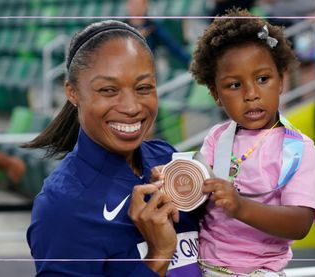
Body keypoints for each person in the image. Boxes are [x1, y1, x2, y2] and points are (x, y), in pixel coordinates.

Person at [24, 20, 202, 276]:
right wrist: (158, 256)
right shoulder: (61, 206)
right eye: (108, 90)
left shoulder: (168, 159)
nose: (131, 107)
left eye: (143, 88)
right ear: (73, 92)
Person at [189, 8, 315, 276]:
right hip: (205, 268)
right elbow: (195, 198)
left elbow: (300, 223)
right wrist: (176, 184)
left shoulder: (297, 148)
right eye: (234, 85)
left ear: (281, 81)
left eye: (263, 79)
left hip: (260, 272)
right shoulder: (217, 138)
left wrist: (240, 207)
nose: (251, 94)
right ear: (216, 94)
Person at [263, 0, 315, 93]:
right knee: (282, 68)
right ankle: (282, 106)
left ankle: (311, 103)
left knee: (308, 65)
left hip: (307, 23)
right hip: (279, 21)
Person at [126, 0, 191, 67]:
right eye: (133, 4)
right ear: (128, 6)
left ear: (145, 6)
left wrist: (189, 60)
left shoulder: (152, 27)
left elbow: (172, 44)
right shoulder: (120, 28)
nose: (136, 7)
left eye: (139, 5)